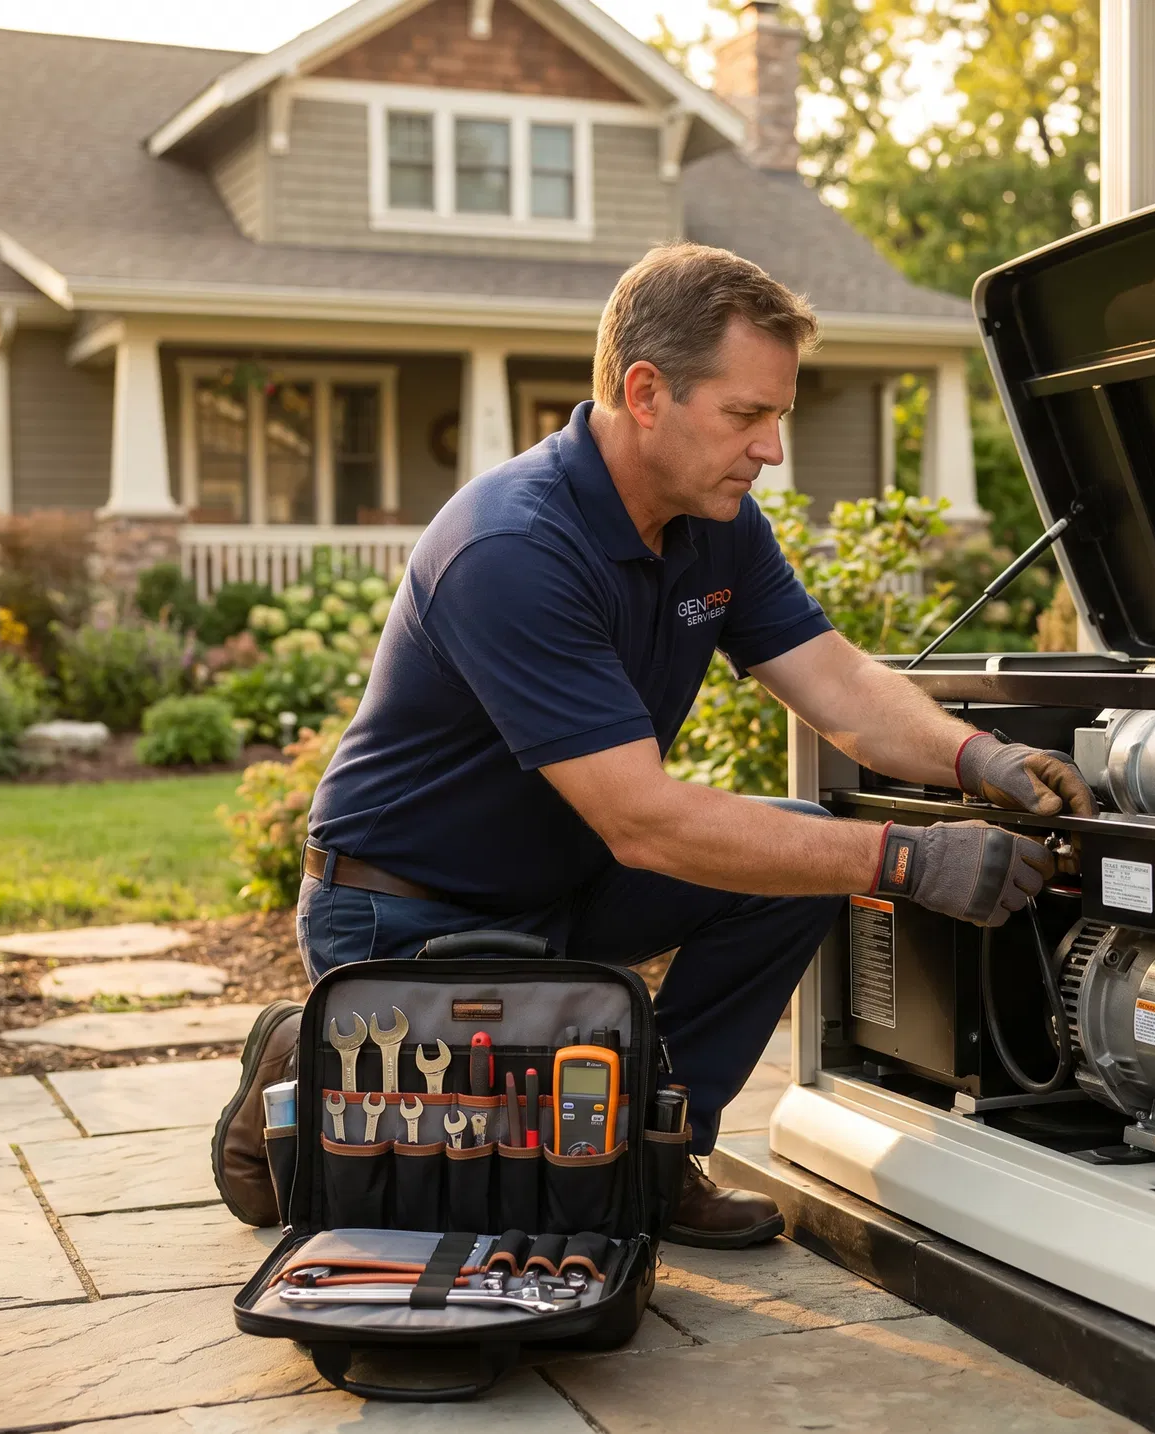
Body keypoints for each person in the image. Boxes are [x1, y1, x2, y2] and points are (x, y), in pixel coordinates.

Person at [212, 242, 1092, 1245]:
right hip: (405, 909)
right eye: (746, 416)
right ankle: (307, 1056)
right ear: (645, 392)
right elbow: (644, 822)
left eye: (778, 418)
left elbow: (837, 682)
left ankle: (658, 1156)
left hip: (565, 885)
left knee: (794, 867)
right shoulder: (513, 547)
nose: (770, 450)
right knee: (470, 1204)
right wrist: (907, 857)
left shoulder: (713, 520)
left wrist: (979, 758)